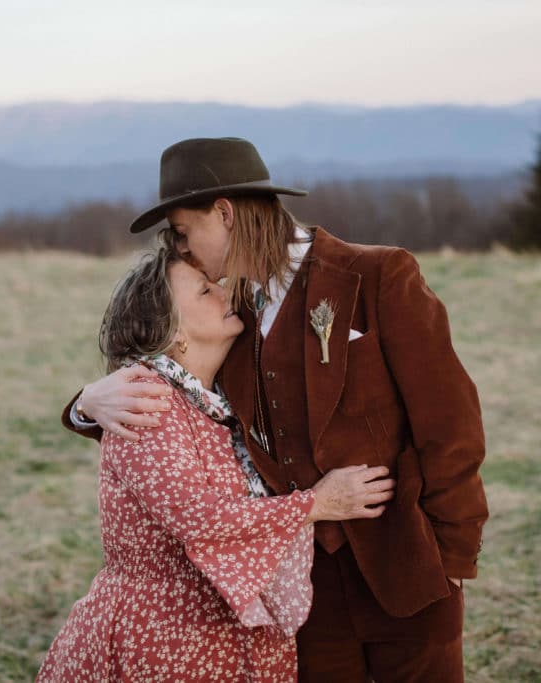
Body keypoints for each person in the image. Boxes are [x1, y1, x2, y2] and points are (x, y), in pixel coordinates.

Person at [65, 137, 488, 682]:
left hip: (406, 564)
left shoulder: (379, 275)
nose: (183, 251)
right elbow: (173, 411)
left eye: (184, 233)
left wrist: (451, 558)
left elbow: (451, 425)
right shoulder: (224, 317)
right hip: (301, 587)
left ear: (225, 214)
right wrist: (85, 403)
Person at [38, 244, 395, 682]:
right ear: (173, 332)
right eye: (207, 291)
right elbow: (197, 516)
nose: (228, 295)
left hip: (221, 636)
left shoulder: (217, 395)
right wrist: (318, 505)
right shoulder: (147, 401)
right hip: (164, 641)